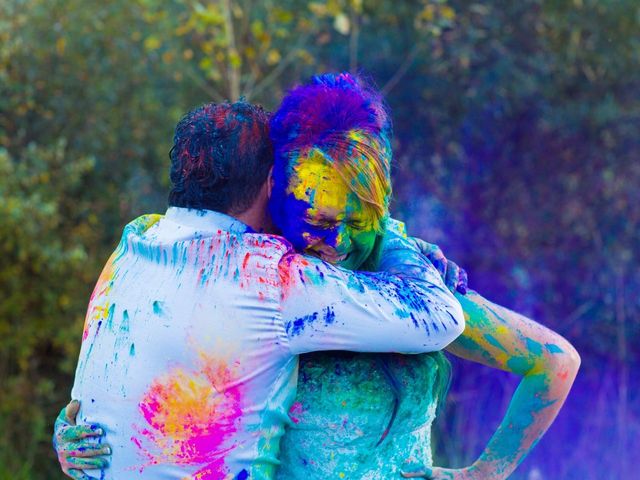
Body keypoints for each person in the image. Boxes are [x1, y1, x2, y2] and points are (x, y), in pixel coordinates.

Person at [55, 73, 580, 479]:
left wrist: (488, 471)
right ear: (275, 193)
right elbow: (153, 373)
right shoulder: (263, 286)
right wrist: (85, 428)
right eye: (321, 221)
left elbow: (554, 363)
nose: (340, 243)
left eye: (361, 221)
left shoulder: (404, 289)